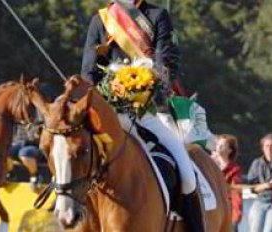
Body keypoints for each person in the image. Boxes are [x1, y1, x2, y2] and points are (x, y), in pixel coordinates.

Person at [81, 1, 205, 231]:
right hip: (108, 115)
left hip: (146, 112)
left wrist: (147, 86)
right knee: (72, 155)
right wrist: (108, 93)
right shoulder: (101, 20)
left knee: (187, 176)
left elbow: (166, 60)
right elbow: (88, 72)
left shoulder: (158, 16)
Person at [211, 134, 243, 232]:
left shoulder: (234, 170)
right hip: (212, 210)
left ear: (230, 150)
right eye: (218, 144)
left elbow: (236, 193)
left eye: (222, 145)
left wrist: (236, 215)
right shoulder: (209, 165)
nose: (218, 147)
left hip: (227, 212)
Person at [247, 133, 272, 232]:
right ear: (263, 148)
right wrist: (268, 185)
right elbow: (252, 188)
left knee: (269, 229)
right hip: (260, 201)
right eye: (267, 146)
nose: (269, 149)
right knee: (255, 228)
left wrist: (262, 186)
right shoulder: (257, 163)